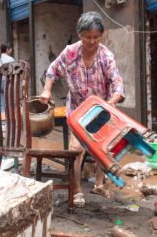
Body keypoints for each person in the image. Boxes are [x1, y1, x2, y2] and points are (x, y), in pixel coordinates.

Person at [39, 11, 125, 208]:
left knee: (102, 148)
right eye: (88, 37)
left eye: (96, 37)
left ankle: (100, 184)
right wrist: (47, 90)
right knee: (76, 149)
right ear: (79, 34)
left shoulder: (106, 56)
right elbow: (52, 71)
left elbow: (117, 82)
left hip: (100, 110)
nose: (92, 41)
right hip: (77, 109)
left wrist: (112, 101)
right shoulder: (70, 52)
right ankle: (77, 189)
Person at [0, 43, 15, 111]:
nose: (11, 50)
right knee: (8, 101)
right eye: (10, 49)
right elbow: (13, 72)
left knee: (2, 102)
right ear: (7, 49)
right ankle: (9, 119)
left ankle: (3, 119)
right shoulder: (10, 59)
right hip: (6, 81)